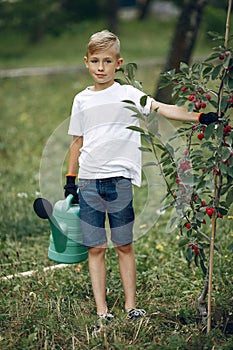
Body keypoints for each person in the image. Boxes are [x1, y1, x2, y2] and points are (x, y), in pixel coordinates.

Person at [64, 30, 218, 329]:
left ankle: (131, 306)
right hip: (89, 182)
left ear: (118, 63)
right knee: (95, 248)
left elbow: (165, 109)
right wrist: (71, 180)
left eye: (107, 61)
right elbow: (76, 141)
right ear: (86, 62)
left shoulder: (128, 94)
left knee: (123, 245)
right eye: (94, 60)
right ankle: (102, 311)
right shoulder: (81, 100)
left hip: (120, 181)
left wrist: (200, 117)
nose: (100, 67)